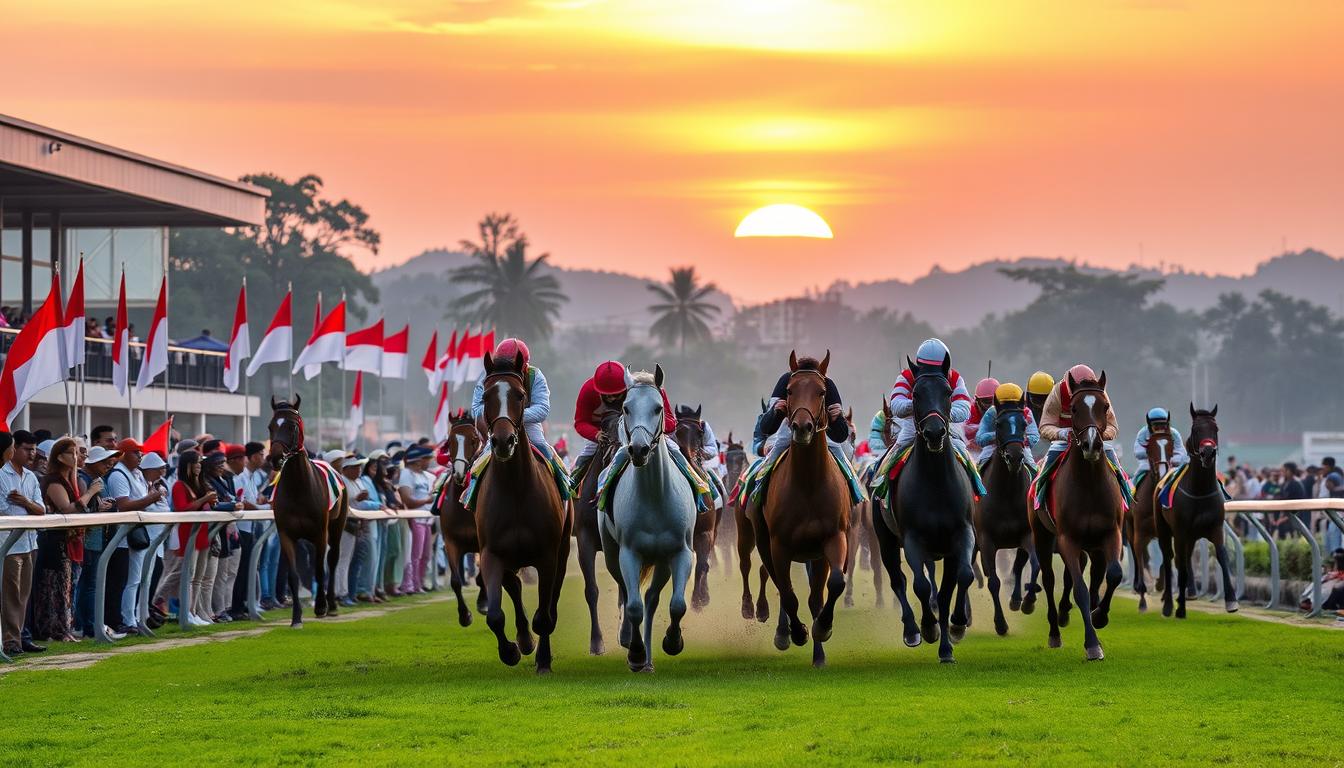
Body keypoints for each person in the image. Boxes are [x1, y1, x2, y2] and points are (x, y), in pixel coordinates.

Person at [1033, 364, 1128, 506]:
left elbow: (1113, 426)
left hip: (1094, 438)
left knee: (1117, 465)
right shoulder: (1058, 391)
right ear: (1071, 386)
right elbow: (1045, 426)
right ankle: (1038, 499)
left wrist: (1098, 433)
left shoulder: (1099, 392)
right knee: (1044, 470)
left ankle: (1126, 497)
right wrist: (1062, 433)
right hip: (1064, 441)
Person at [33, 438, 97, 643]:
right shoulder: (53, 480)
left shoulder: (70, 479)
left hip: (68, 541)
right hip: (54, 542)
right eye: (72, 453)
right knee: (54, 588)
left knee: (67, 586)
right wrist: (91, 492)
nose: (76, 457)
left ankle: (64, 628)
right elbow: (67, 508)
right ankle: (53, 630)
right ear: (60, 456)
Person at [104, 438, 165, 635]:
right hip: (124, 536)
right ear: (123, 454)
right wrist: (152, 498)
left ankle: (138, 616)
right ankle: (128, 619)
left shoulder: (137, 474)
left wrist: (150, 497)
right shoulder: (118, 475)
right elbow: (124, 505)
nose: (140, 457)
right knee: (130, 580)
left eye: (140, 453)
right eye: (135, 453)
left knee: (141, 578)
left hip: (139, 532)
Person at [1, 431, 46, 655]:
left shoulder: (31, 476)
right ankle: (11, 641)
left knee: (23, 595)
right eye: (27, 449)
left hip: (30, 542)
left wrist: (25, 502)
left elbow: (41, 510)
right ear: (13, 449)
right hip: (7, 544)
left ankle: (20, 637)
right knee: (10, 594)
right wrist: (30, 507)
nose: (32, 454)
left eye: (34, 449)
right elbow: (4, 508)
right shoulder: (1, 475)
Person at [469, 338, 553, 459]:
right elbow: (476, 408)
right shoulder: (488, 377)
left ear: (523, 366)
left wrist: (513, 416)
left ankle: (561, 476)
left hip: (527, 424)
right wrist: (501, 416)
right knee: (483, 456)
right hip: (496, 425)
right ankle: (472, 478)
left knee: (540, 445)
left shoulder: (535, 375)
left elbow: (543, 409)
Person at [570, 360, 637, 492]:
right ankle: (572, 484)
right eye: (607, 396)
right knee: (587, 452)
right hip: (600, 433)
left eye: (617, 395)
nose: (612, 399)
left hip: (628, 430)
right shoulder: (588, 390)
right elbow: (580, 422)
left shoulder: (633, 388)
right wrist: (596, 434)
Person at [74, 446, 120, 639]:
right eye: (104, 462)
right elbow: (81, 509)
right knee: (87, 584)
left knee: (90, 583)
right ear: (92, 462)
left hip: (97, 537)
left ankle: (91, 625)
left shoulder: (99, 480)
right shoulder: (84, 480)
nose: (108, 466)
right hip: (87, 539)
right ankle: (89, 626)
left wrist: (111, 506)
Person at [169, 451, 218, 625]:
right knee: (189, 576)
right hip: (188, 534)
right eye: (196, 462)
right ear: (187, 465)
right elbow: (182, 509)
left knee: (199, 576)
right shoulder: (179, 486)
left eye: (200, 463)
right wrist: (205, 498)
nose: (199, 465)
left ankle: (193, 611)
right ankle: (186, 612)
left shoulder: (200, 483)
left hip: (202, 532)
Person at [202, 452, 241, 622]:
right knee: (216, 575)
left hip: (228, 532)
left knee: (226, 573)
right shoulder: (207, 482)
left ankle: (224, 607)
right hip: (215, 532)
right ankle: (217, 610)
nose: (221, 467)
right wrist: (232, 505)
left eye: (223, 463)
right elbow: (215, 505)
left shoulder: (223, 480)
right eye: (218, 463)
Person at [237, 442, 276, 610]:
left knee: (252, 566)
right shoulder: (241, 476)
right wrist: (266, 507)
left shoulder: (252, 476)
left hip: (251, 527)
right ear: (252, 457)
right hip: (242, 528)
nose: (263, 457)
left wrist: (262, 502)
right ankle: (240, 604)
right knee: (243, 569)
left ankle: (250, 602)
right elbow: (244, 503)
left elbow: (253, 499)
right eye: (261, 454)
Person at [973, 383, 1041, 469]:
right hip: (994, 448)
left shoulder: (1027, 412)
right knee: (977, 468)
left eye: (1014, 404)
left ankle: (1036, 481)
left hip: (1021, 448)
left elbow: (1034, 436)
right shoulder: (992, 412)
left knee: (1033, 468)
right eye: (1006, 404)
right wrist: (999, 435)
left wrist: (1020, 439)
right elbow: (980, 438)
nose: (1010, 407)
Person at [139, 451, 171, 628]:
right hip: (146, 539)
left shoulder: (158, 485)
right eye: (158, 470)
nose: (161, 473)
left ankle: (146, 612)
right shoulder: (145, 486)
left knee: (154, 576)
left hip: (158, 540)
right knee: (142, 579)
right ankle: (140, 615)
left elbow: (166, 509)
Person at [397, 446, 435, 595]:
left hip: (426, 519)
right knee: (414, 554)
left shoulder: (426, 475)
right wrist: (427, 500)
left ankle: (419, 582)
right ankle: (409, 585)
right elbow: (408, 500)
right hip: (415, 518)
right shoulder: (406, 474)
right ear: (419, 461)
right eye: (427, 459)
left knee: (426, 555)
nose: (429, 462)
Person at [1131, 407, 1188, 489]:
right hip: (1149, 463)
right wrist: (1153, 454)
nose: (1160, 429)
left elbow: (1181, 452)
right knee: (1139, 472)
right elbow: (1138, 452)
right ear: (1150, 425)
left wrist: (1172, 459)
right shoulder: (1143, 433)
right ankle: (1132, 491)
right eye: (1156, 426)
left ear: (1167, 424)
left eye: (1163, 425)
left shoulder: (1174, 434)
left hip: (1170, 463)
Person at [963, 377, 1000, 457]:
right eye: (988, 402)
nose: (992, 407)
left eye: (996, 401)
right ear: (977, 401)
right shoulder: (968, 412)